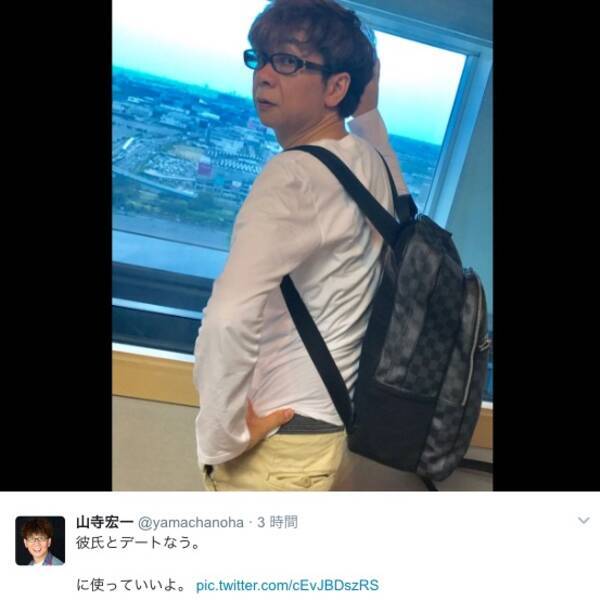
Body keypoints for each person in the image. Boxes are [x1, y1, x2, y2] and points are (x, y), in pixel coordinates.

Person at [193, 0, 409, 491]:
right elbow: (402, 197)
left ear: (336, 88)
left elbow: (228, 317)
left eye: (288, 61)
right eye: (260, 57)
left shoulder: (294, 175)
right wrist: (366, 107)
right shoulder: (369, 162)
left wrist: (222, 436)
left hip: (278, 445)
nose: (264, 76)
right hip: (326, 431)